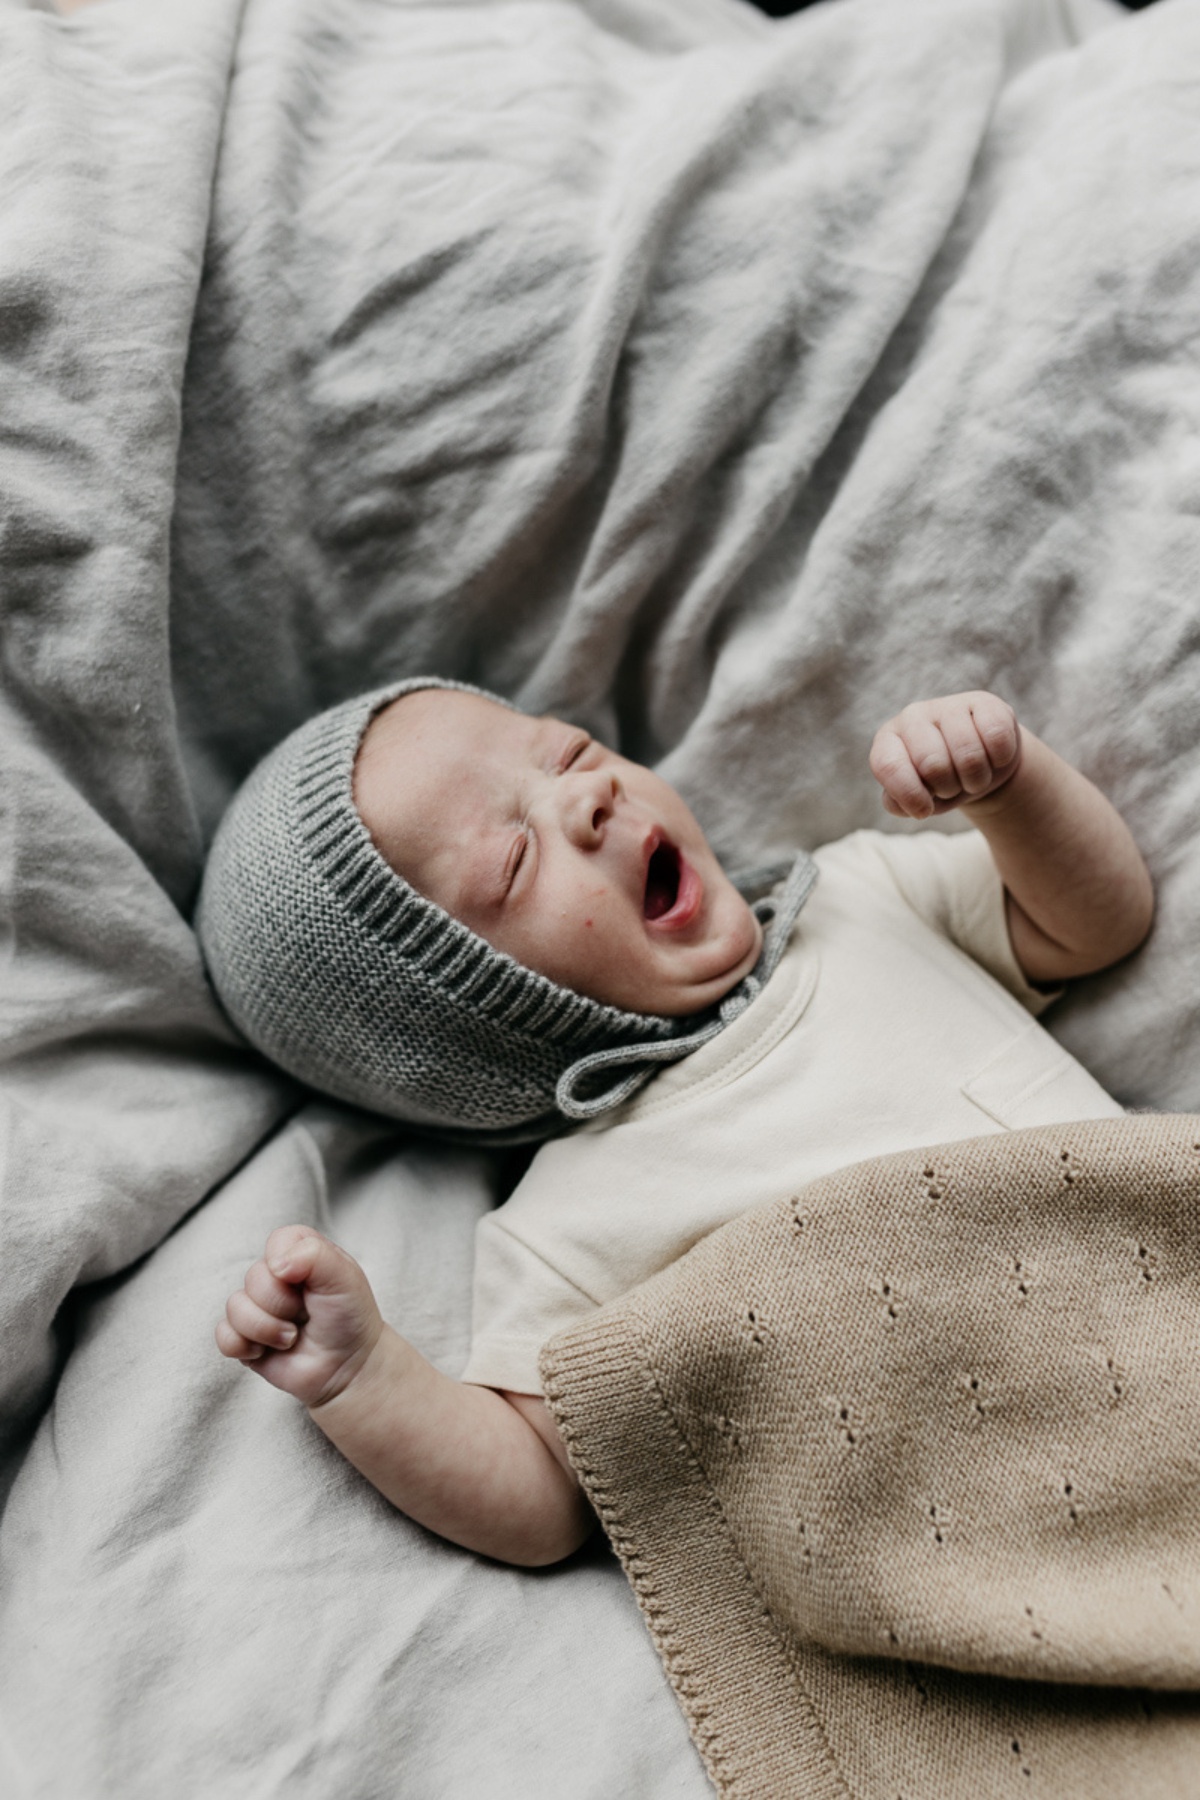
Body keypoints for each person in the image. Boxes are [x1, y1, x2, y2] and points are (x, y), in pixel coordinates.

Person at [206, 682, 1153, 1567]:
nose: (588, 800)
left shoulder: (862, 897)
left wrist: (1010, 787)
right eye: (516, 860)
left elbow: (1090, 926)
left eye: (569, 753)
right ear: (483, 1022)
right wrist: (362, 1378)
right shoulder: (566, 1226)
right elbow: (545, 1501)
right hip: (1003, 1505)